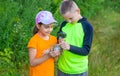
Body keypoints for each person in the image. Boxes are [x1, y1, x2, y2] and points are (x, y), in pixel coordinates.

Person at [57, 0, 94, 76]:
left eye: (70, 18)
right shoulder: (64, 24)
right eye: (66, 19)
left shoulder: (87, 27)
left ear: (78, 11)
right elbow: (59, 38)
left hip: (79, 70)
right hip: (62, 68)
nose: (69, 21)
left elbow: (86, 50)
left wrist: (69, 47)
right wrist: (59, 41)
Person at [27, 11, 60, 76]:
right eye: (46, 27)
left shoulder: (54, 39)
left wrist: (56, 55)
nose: (50, 29)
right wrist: (48, 55)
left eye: (51, 27)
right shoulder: (34, 41)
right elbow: (32, 63)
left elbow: (55, 60)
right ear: (38, 26)